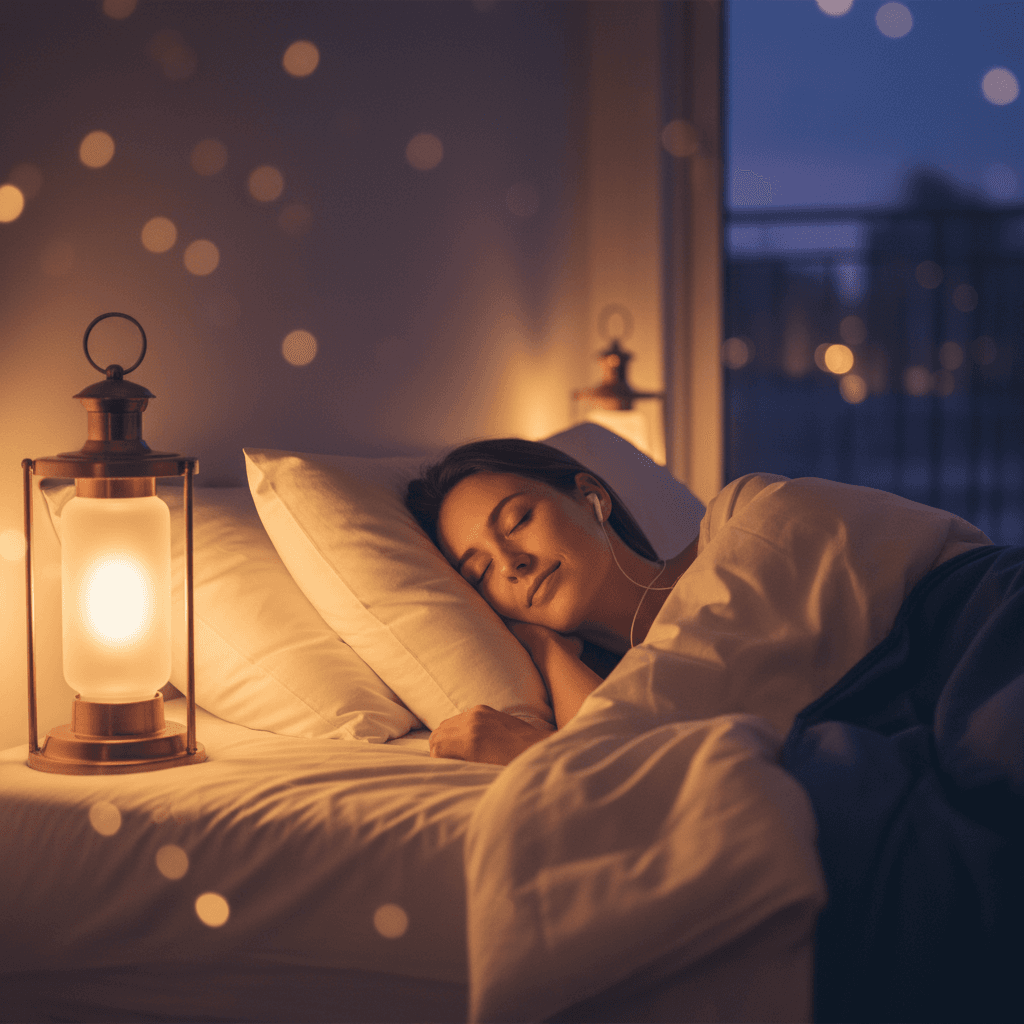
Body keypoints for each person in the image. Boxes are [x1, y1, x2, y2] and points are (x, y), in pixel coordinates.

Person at [405, 438, 700, 764]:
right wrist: (547, 649)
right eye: (481, 571)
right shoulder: (614, 690)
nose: (508, 565)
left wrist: (534, 749)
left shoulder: (739, 523)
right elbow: (622, 782)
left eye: (517, 521)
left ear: (592, 496)